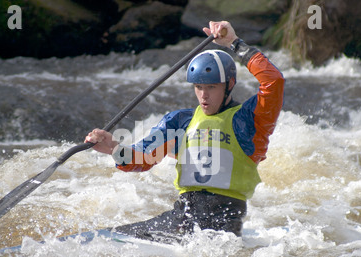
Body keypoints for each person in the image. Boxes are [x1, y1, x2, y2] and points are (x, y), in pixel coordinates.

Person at [85, 21, 285, 243]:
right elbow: (143, 157)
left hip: (223, 223)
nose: (204, 96)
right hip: (183, 216)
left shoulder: (250, 120)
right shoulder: (180, 121)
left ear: (229, 84)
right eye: (198, 87)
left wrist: (234, 43)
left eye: (211, 87)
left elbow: (273, 81)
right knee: (110, 238)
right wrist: (113, 148)